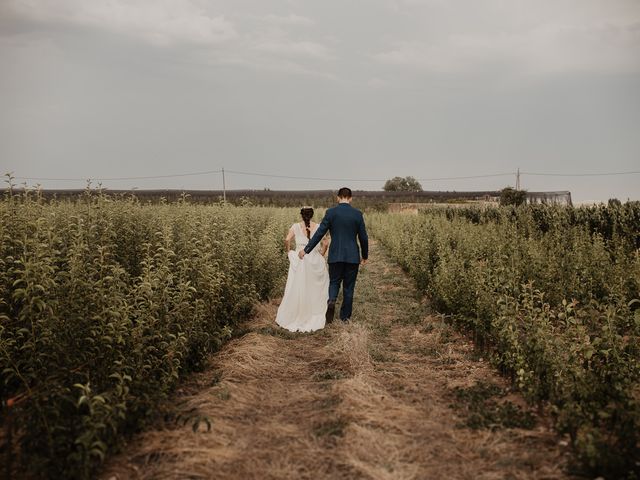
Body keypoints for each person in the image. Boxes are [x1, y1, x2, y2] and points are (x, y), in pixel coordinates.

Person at [298, 187, 369, 324]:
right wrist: (364, 255)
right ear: (350, 198)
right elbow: (363, 237)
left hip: (335, 255)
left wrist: (306, 250)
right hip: (352, 257)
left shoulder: (331, 213)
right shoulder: (357, 214)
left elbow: (319, 234)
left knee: (334, 282)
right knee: (349, 286)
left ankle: (331, 301)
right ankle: (345, 318)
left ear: (338, 198)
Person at [275, 207, 330, 332]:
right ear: (312, 215)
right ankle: (315, 311)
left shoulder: (295, 226)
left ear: (301, 215)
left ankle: (298, 313)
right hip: (315, 258)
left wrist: (289, 251)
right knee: (315, 288)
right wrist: (321, 253)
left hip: (300, 258)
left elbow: (287, 239)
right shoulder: (319, 227)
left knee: (298, 286)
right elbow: (326, 243)